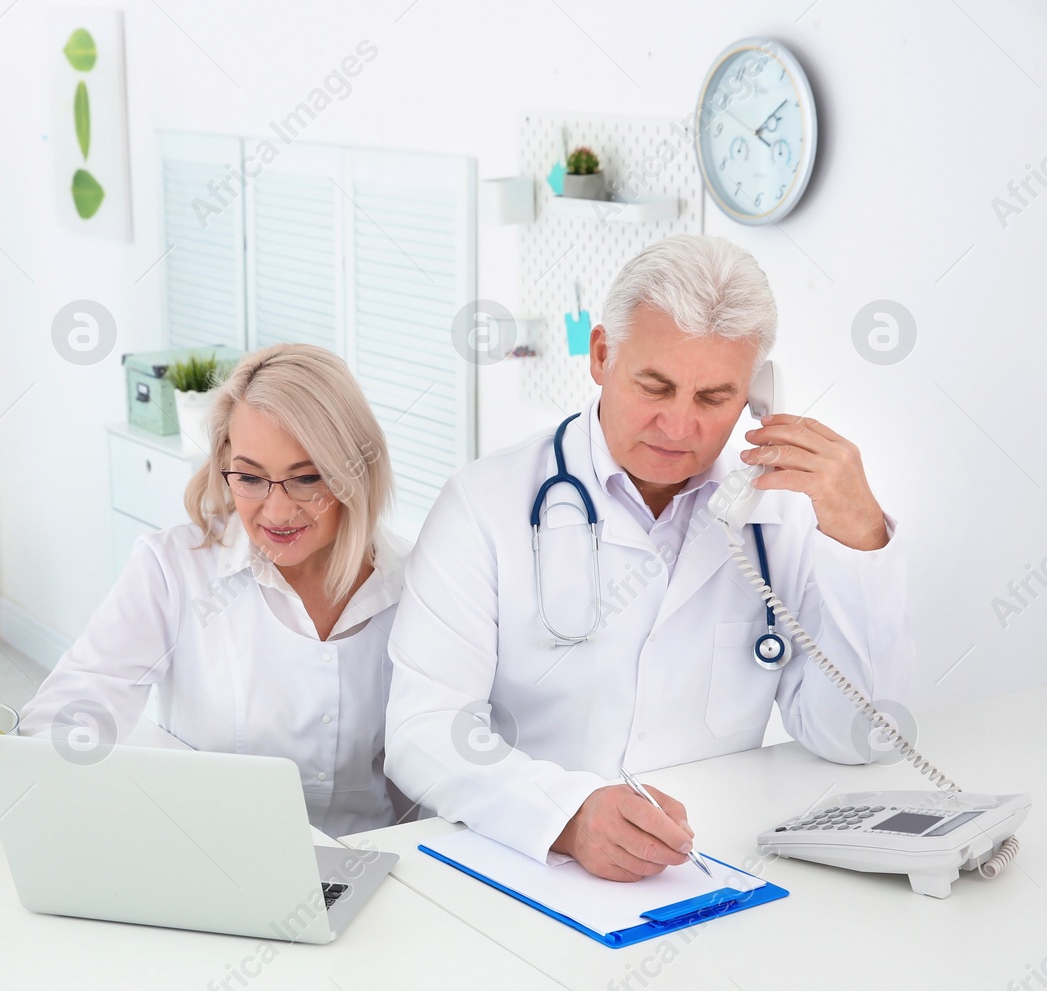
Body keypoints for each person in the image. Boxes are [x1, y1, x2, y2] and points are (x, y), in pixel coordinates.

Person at [384, 235, 913, 881]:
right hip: (529, 859)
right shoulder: (482, 505)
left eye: (714, 397)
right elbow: (422, 728)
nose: (679, 425)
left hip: (714, 866)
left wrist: (858, 536)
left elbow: (858, 739)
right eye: (655, 386)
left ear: (756, 392)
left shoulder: (783, 512)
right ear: (602, 354)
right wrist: (566, 814)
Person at [20, 344, 410, 837]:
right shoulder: (173, 570)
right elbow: (73, 708)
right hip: (217, 864)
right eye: (250, 477)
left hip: (380, 868)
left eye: (306, 478)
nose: (276, 511)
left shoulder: (415, 583)